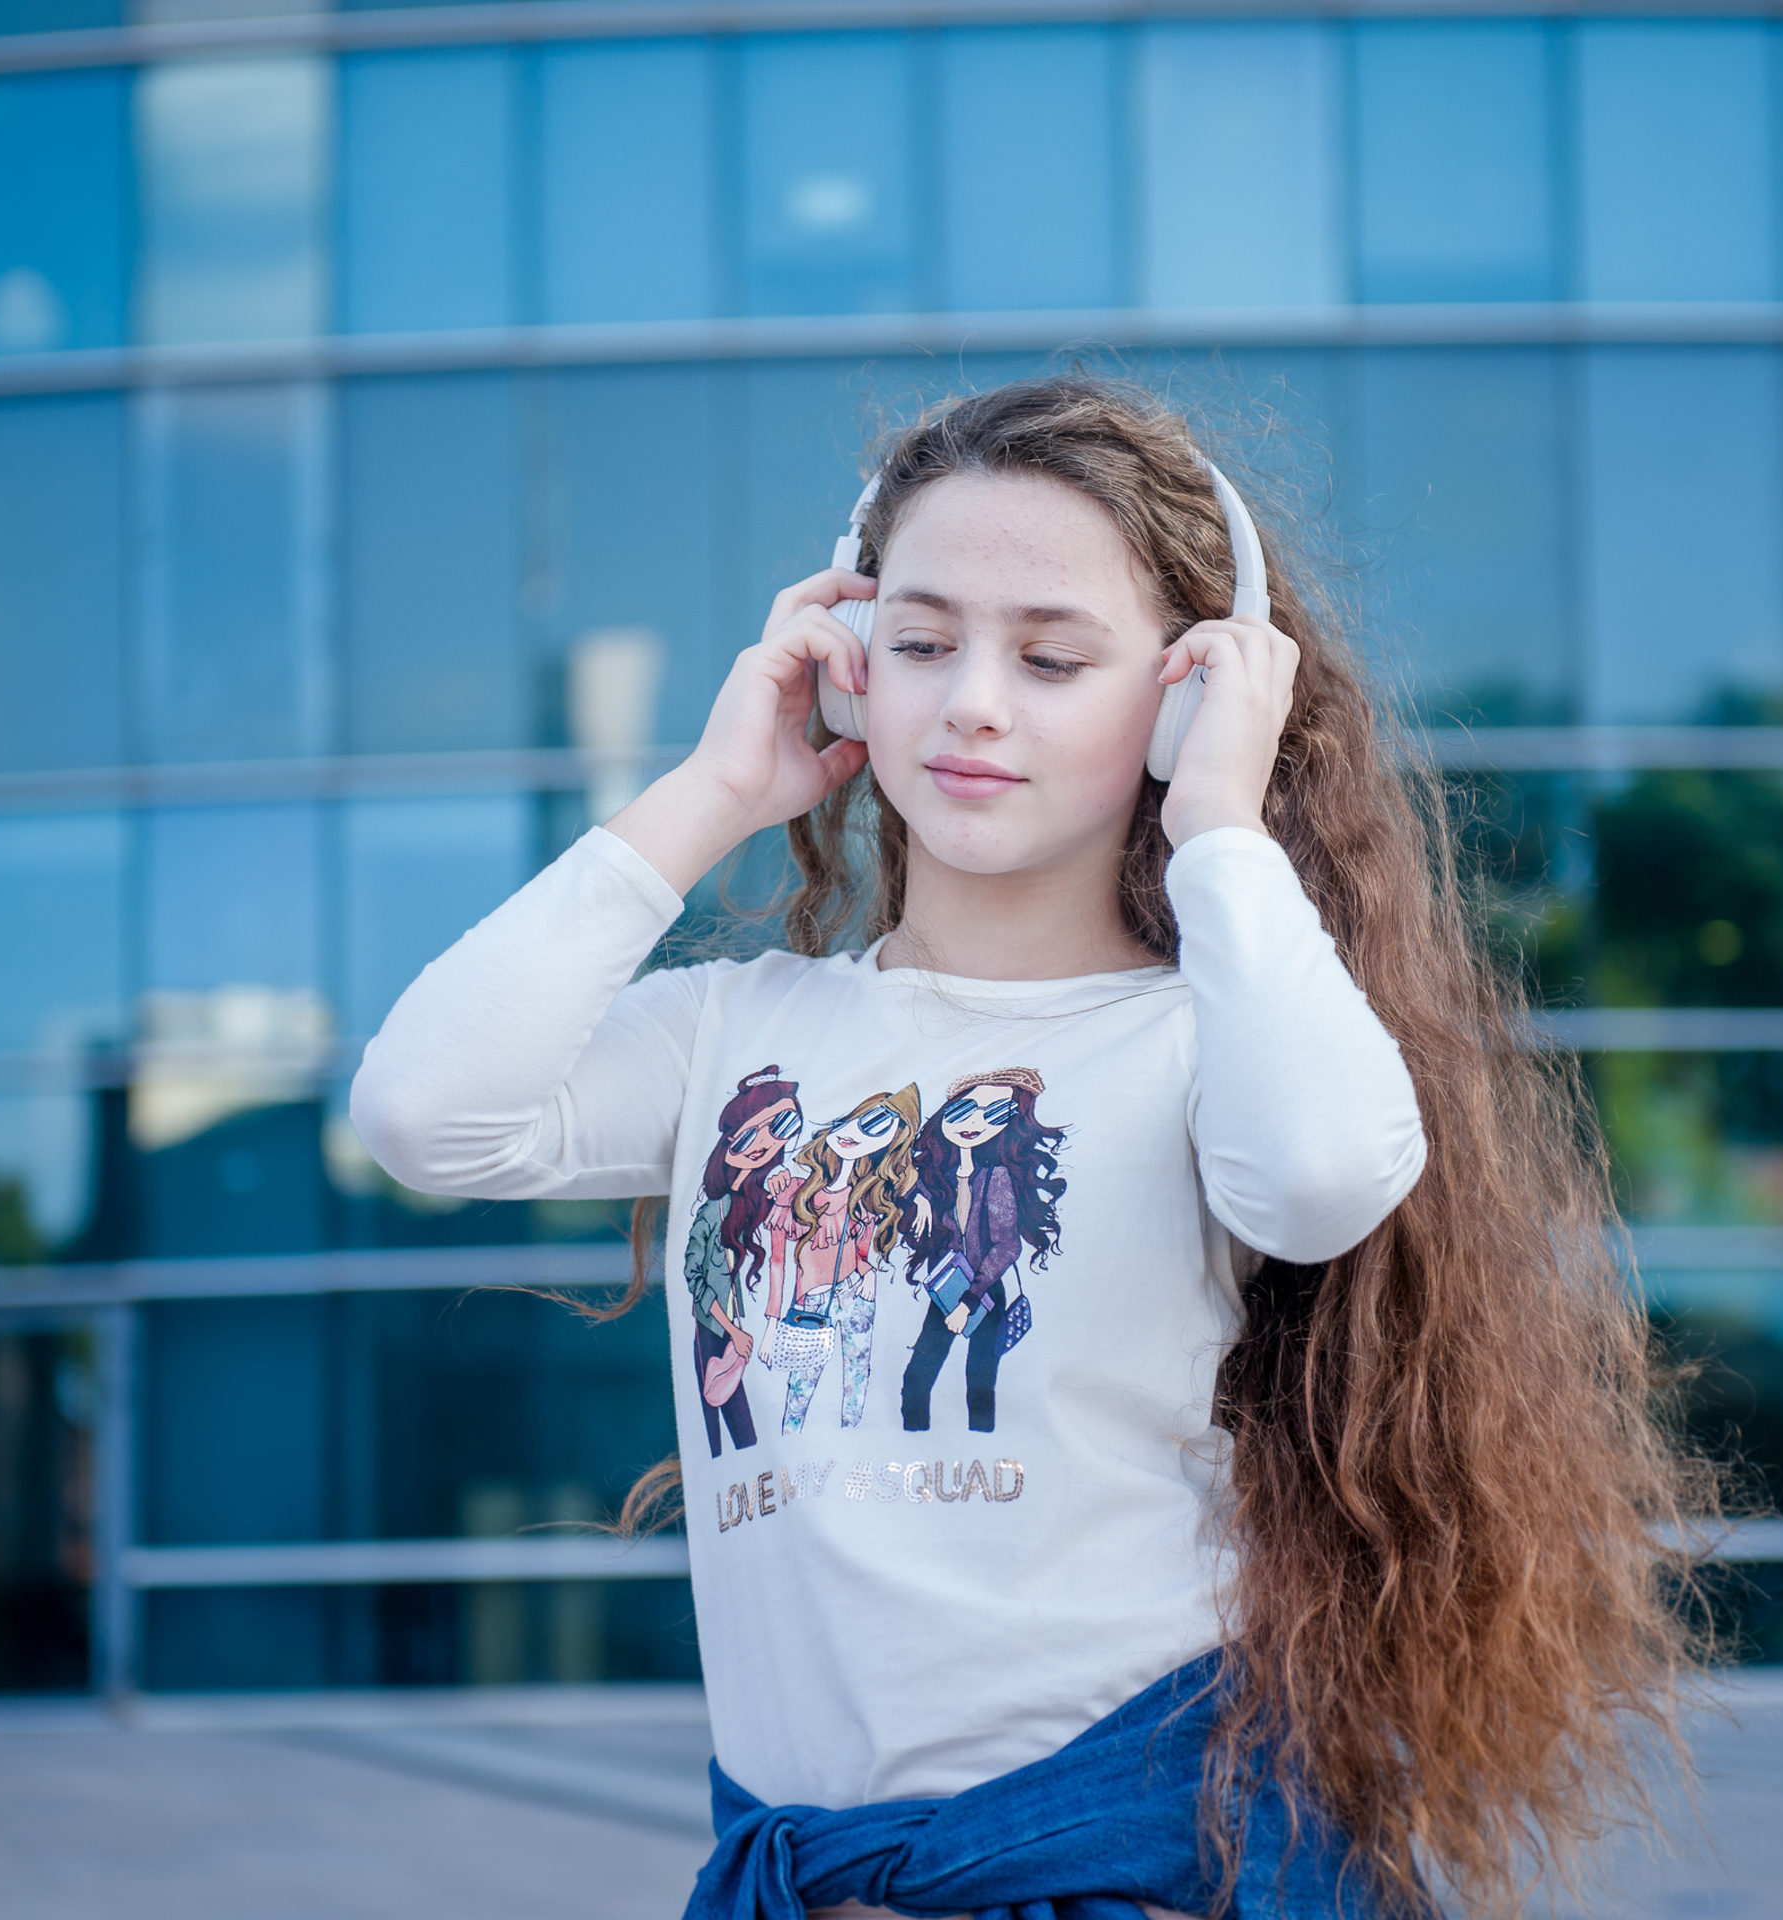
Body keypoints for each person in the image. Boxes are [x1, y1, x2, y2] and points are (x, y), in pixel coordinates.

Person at [351, 376, 1707, 1920]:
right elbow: (422, 1111)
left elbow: (1329, 1176)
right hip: (807, 1875)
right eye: (921, 643)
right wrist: (713, 788)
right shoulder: (734, 1032)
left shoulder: (1211, 1034)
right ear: (849, 669)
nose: (974, 700)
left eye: (1052, 656)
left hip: (1132, 1872)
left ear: (1188, 694)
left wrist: (1222, 822)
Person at [899, 1068, 1064, 1434]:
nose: (975, 1122)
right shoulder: (941, 1172)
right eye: (964, 1110)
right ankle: (915, 1439)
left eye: (994, 1115)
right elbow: (902, 1180)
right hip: (948, 1286)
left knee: (979, 1384)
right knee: (916, 1379)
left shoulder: (998, 1177)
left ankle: (982, 1447)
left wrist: (969, 1301)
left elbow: (1007, 1246)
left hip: (983, 1291)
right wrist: (920, 1199)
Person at [762, 1085, 921, 1435]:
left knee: (857, 1379)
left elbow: (863, 1252)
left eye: (875, 1132)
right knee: (800, 1387)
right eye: (851, 1123)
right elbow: (778, 1262)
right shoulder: (794, 1192)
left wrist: (869, 1275)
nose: (854, 1135)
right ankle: (792, 1441)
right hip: (810, 1301)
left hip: (855, 1294)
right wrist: (771, 1326)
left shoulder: (865, 1196)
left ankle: (852, 1439)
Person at [682, 1065, 804, 1458]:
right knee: (727, 1433)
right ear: (730, 1143)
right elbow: (695, 1280)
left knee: (741, 1435)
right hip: (714, 1331)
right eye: (750, 1134)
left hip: (736, 1330)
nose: (764, 1143)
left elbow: (788, 1234)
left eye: (782, 1124)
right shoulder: (712, 1213)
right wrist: (731, 1331)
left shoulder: (766, 1192)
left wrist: (781, 1189)